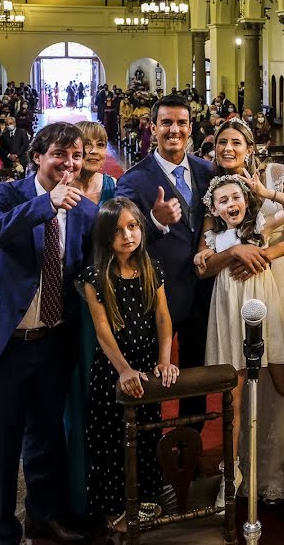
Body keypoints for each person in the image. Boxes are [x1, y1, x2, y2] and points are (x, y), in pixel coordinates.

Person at [0, 122, 97, 544]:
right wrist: (45, 206)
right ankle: (1, 533)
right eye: (59, 154)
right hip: (5, 346)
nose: (68, 164)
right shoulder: (8, 194)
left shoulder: (84, 210)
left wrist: (157, 223)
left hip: (52, 343)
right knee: (1, 447)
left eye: (76, 156)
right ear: (37, 156)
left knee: (46, 439)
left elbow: (116, 236)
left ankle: (42, 517)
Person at [198, 118, 284, 503]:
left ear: (249, 146)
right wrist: (225, 253)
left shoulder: (260, 216)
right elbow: (203, 262)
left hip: (267, 289)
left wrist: (263, 195)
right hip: (229, 304)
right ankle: (233, 478)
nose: (227, 148)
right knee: (235, 390)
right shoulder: (216, 220)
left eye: (235, 142)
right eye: (220, 142)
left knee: (281, 377)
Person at [115, 95, 216, 430]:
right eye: (167, 123)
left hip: (202, 292)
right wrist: (154, 222)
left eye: (182, 123)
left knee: (195, 376)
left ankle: (190, 442)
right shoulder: (134, 179)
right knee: (152, 378)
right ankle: (148, 452)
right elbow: (121, 239)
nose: (175, 130)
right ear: (153, 127)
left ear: (190, 128)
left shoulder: (207, 171)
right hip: (157, 294)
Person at [81, 197, 177, 534]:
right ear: (106, 235)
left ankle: (146, 500)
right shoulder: (95, 275)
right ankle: (113, 510)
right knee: (113, 442)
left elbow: (163, 317)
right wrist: (123, 370)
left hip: (148, 367)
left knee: (148, 436)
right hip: (113, 372)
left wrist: (164, 360)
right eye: (119, 230)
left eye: (133, 227)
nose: (128, 235)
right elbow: (103, 332)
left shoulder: (151, 266)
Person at [63, 120, 117, 516]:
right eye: (87, 145)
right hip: (67, 298)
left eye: (101, 143)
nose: (96, 151)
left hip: (105, 297)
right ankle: (73, 494)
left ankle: (106, 487)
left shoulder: (112, 188)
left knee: (104, 390)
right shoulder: (61, 188)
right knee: (73, 392)